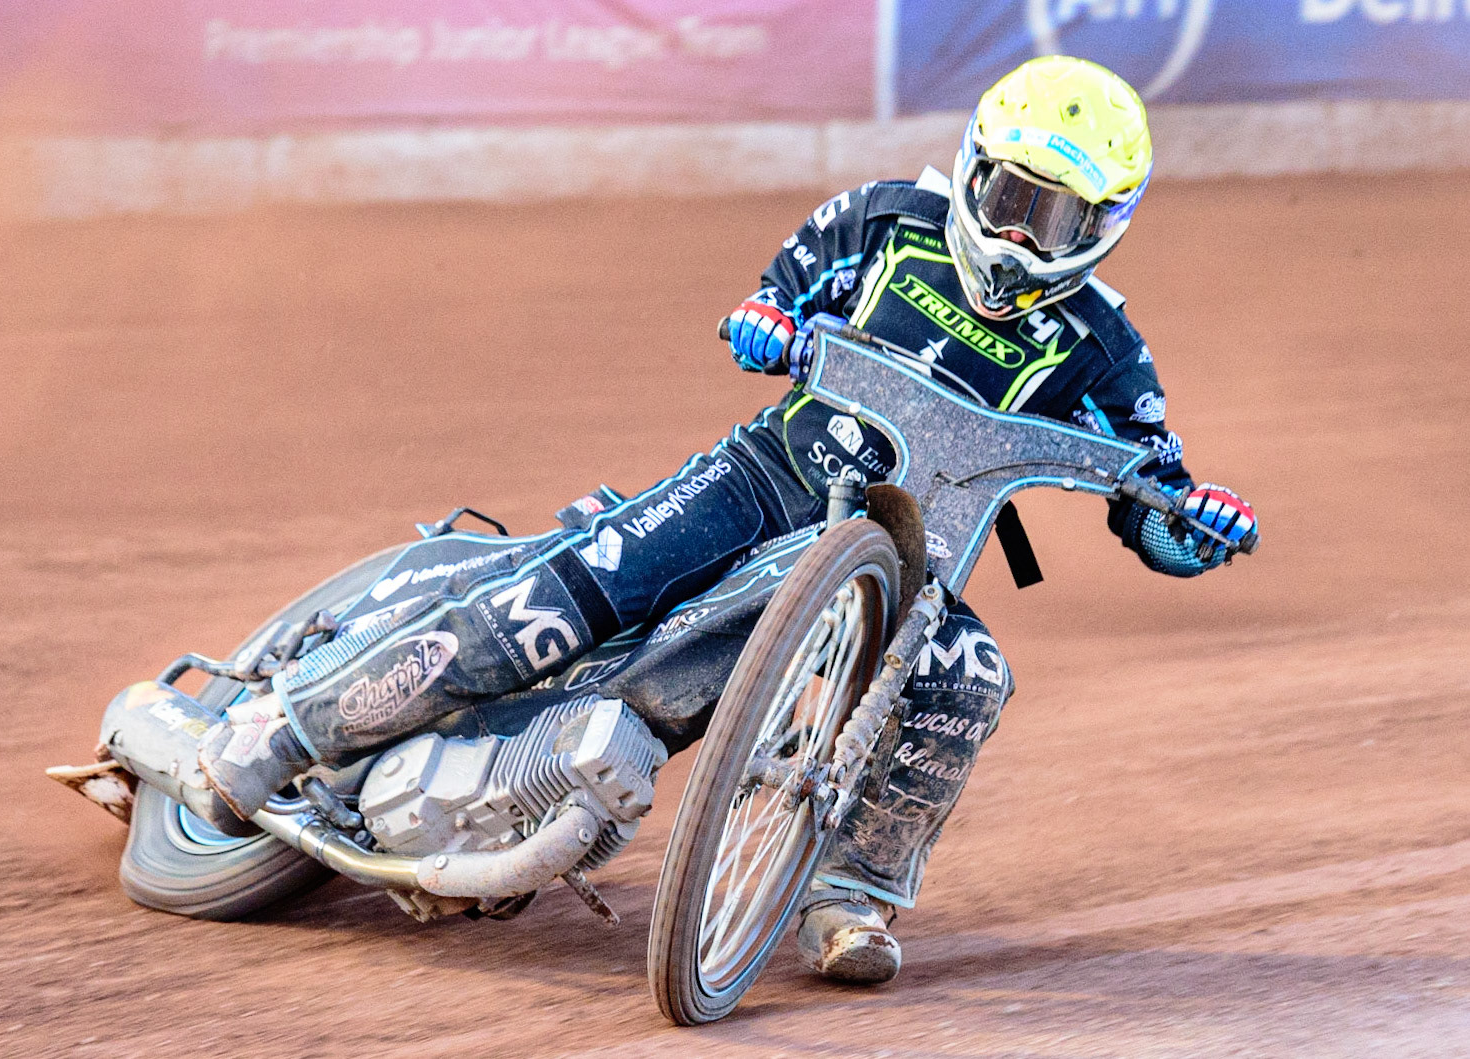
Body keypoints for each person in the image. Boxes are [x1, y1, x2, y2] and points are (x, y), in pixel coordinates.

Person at [198, 55, 1257, 985]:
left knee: (966, 679)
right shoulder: (884, 220)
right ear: (973, 169)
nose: (1024, 234)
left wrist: (1191, 529)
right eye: (1011, 196)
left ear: (1103, 228)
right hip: (762, 481)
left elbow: (1151, 499)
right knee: (561, 601)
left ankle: (851, 900)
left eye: (1059, 218)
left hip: (913, 570)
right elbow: (781, 293)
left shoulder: (1103, 351)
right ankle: (289, 725)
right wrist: (767, 320)